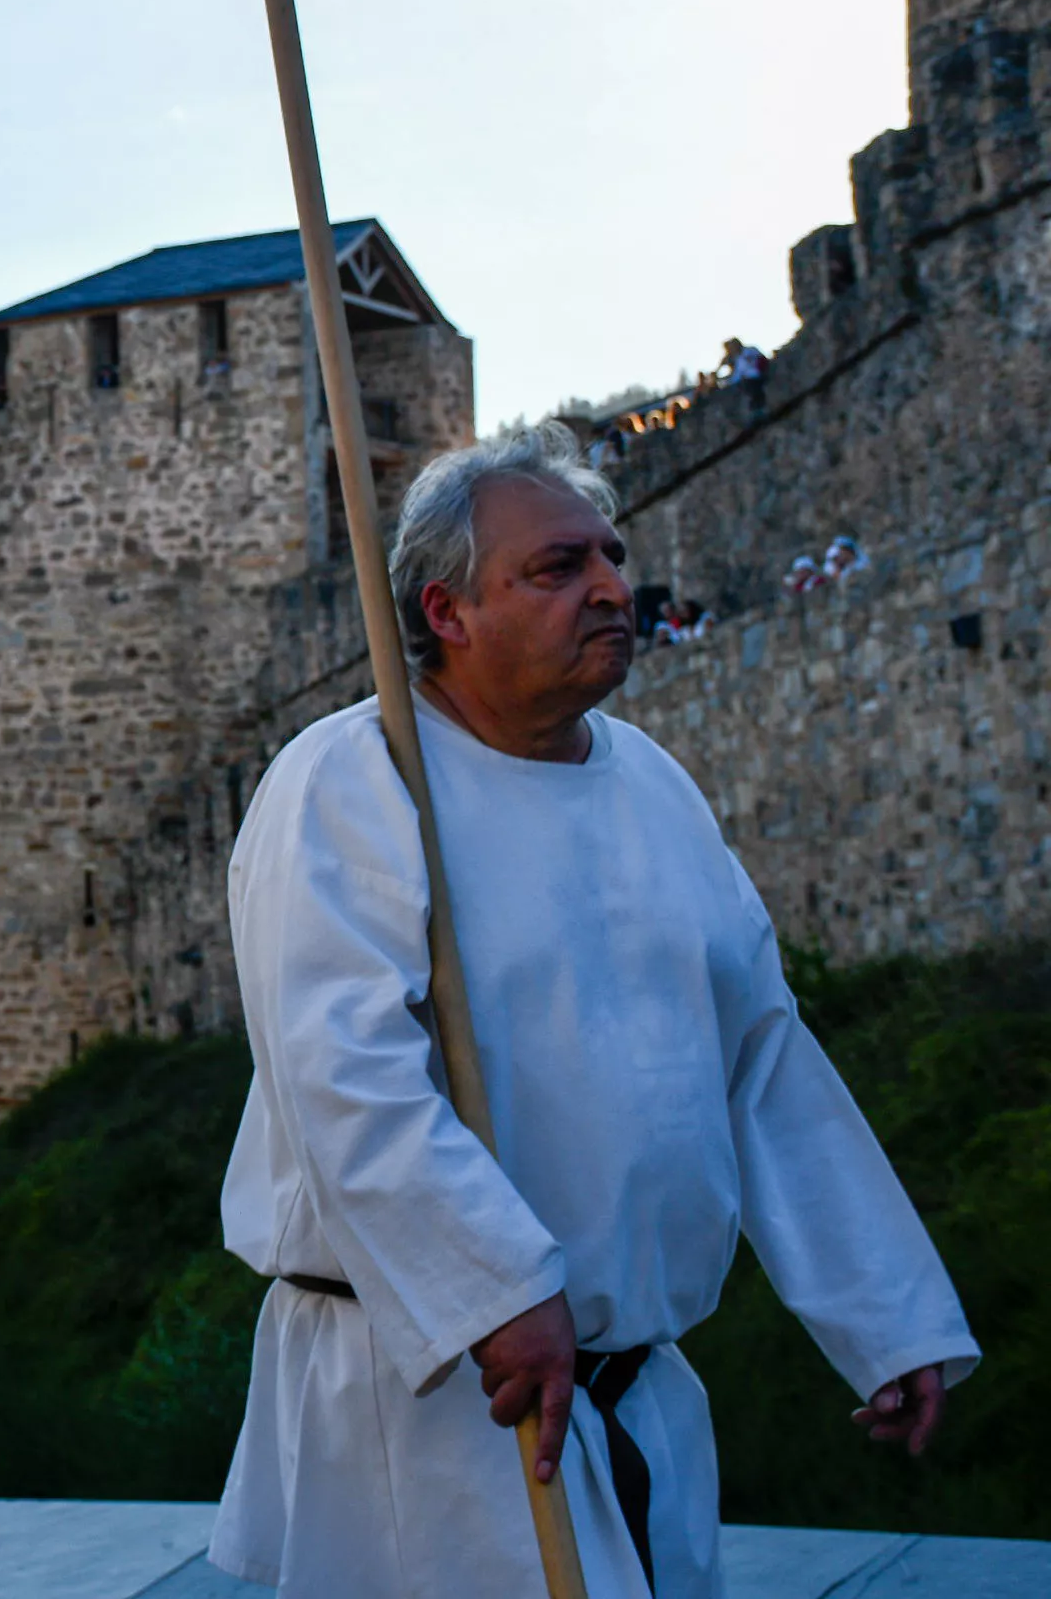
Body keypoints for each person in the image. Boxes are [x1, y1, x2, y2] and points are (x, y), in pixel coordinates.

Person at [209, 423, 979, 1599]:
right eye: (558, 567)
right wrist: (494, 1286)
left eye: (612, 556)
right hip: (437, 1394)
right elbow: (341, 1073)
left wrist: (885, 1310)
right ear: (448, 610)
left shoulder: (654, 783)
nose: (614, 587)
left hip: (636, 1390)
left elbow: (760, 1059)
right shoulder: (354, 780)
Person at [721, 336, 768, 416]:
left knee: (752, 387)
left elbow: (761, 359)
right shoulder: (737, 359)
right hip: (743, 380)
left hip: (755, 375)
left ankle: (759, 410)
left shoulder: (750, 350)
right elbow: (736, 375)